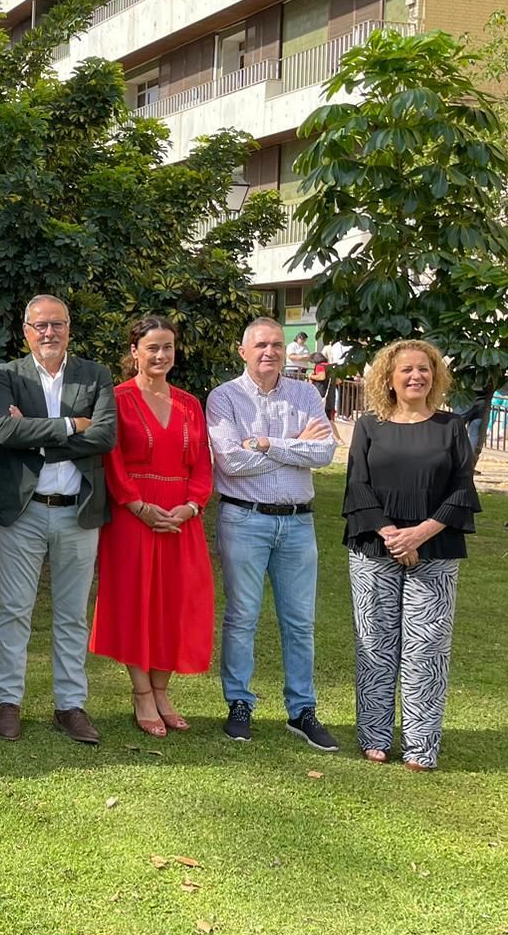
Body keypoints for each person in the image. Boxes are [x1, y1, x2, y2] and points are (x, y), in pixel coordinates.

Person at [0, 294, 116, 746]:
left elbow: (105, 435)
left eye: (57, 324)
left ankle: (70, 705)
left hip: (77, 510)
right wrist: (73, 425)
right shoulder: (7, 375)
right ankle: (8, 703)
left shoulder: (95, 375)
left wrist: (35, 433)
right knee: (14, 610)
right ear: (26, 331)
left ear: (69, 328)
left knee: (73, 614)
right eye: (40, 325)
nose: (49, 332)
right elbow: (5, 431)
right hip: (24, 511)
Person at [342, 339, 479, 770]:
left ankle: (421, 746)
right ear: (389, 377)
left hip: (434, 547)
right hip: (374, 547)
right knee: (375, 644)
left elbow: (462, 488)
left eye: (424, 369)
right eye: (406, 369)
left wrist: (419, 534)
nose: (416, 376)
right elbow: (357, 485)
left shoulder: (451, 427)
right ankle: (375, 736)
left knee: (427, 649)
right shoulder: (369, 426)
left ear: (435, 377)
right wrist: (391, 535)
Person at [205, 316, 338, 748]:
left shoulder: (305, 393)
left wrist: (265, 444)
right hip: (244, 519)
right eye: (261, 345)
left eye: (277, 345)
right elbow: (230, 462)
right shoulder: (224, 397)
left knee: (300, 621)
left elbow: (325, 452)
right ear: (243, 351)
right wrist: (295, 444)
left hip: (298, 522)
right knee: (242, 616)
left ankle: (302, 710)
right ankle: (239, 703)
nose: (270, 352)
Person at [89, 317, 214, 737]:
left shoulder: (190, 403)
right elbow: (110, 458)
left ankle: (162, 691)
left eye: (168, 347)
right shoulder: (117, 398)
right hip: (133, 516)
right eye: (152, 348)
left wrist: (192, 506)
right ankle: (142, 693)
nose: (161, 355)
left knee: (175, 603)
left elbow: (202, 462)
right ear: (134, 352)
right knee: (134, 601)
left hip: (180, 518)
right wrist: (136, 505)